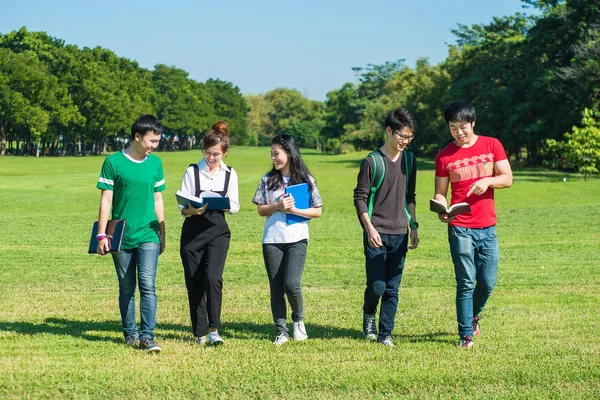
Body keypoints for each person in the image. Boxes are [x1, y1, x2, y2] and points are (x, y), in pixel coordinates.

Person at [434, 100, 513, 349]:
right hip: (459, 227)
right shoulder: (444, 156)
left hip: (487, 227)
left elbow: (507, 178)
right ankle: (465, 334)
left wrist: (488, 181)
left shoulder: (492, 145)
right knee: (466, 281)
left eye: (463, 127)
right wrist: (441, 209)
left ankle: (473, 315)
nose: (459, 132)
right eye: (453, 127)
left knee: (487, 282)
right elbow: (440, 193)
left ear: (473, 123)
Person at [96, 114, 166, 352]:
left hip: (148, 234)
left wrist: (162, 232)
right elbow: (106, 200)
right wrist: (101, 235)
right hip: (121, 236)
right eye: (151, 141)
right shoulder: (113, 162)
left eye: (157, 141)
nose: (155, 146)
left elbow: (158, 199)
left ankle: (147, 336)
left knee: (148, 284)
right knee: (126, 287)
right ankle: (130, 333)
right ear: (137, 137)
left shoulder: (156, 163)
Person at [353, 107, 419, 347]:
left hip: (400, 232)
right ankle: (368, 313)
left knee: (393, 288)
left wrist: (413, 226)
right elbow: (359, 197)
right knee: (377, 286)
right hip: (377, 233)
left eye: (409, 137)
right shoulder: (372, 161)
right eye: (402, 136)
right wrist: (369, 228)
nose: (405, 141)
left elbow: (410, 195)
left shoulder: (410, 160)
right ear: (388, 131)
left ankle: (385, 334)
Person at [252, 134, 323, 346]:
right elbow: (261, 210)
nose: (273, 158)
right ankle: (281, 331)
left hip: (297, 239)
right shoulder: (267, 180)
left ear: (289, 153)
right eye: (271, 154)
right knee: (276, 287)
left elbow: (318, 211)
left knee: (291, 284)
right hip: (272, 240)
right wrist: (277, 206)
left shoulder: (306, 180)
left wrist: (295, 209)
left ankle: (298, 321)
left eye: (277, 153)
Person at [179, 121, 239, 346]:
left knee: (213, 278)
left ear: (225, 152)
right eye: (207, 153)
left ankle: (214, 330)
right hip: (193, 231)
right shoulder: (192, 171)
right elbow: (182, 207)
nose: (211, 158)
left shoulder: (230, 174)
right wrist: (191, 209)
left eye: (216, 154)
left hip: (218, 230)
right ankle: (200, 333)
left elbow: (234, 205)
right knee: (194, 281)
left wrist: (222, 204)